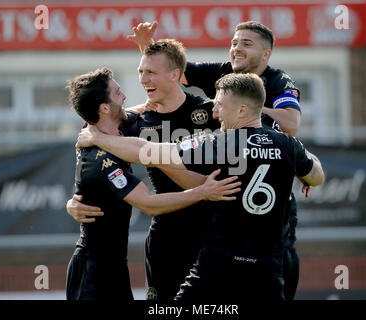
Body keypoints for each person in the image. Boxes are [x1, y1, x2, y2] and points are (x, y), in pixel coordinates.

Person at [76, 73, 325, 300]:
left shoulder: (222, 143)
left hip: (220, 265)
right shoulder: (289, 146)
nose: (215, 112)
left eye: (220, 105)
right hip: (268, 269)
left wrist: (98, 137)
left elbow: (147, 152)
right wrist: (302, 170)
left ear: (242, 110)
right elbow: (316, 176)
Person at [129, 20, 305, 299]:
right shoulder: (222, 72)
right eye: (234, 42)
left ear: (266, 54)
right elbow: (170, 75)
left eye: (246, 43)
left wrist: (248, 112)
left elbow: (292, 125)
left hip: (268, 226)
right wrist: (146, 48)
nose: (236, 48)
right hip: (214, 230)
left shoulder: (278, 80)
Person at [66, 40, 224, 301]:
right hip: (165, 242)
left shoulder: (210, 113)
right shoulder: (132, 126)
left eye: (148, 72)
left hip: (212, 235)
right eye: (140, 72)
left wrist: (301, 163)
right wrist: (73, 201)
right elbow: (92, 142)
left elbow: (254, 132)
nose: (139, 82)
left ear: (175, 75)